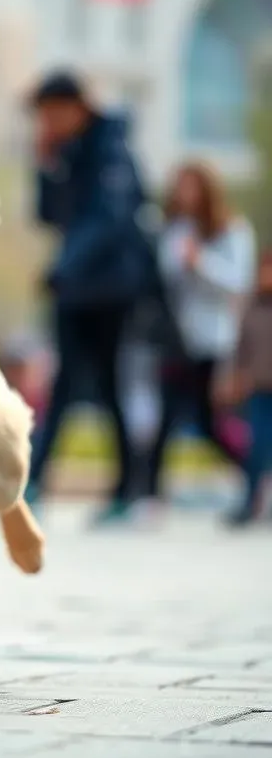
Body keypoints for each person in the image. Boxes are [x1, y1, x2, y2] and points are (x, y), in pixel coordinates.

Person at [26, 71, 154, 522]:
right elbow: (46, 216)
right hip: (74, 287)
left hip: (111, 288)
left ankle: (128, 491)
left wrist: (63, 267)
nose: (48, 123)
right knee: (63, 386)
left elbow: (109, 219)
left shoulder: (111, 147)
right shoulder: (66, 152)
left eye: (53, 113)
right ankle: (35, 483)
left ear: (78, 107)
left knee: (108, 385)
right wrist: (43, 167)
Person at [141, 163, 255, 508]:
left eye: (192, 187)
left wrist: (200, 261)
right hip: (176, 340)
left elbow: (239, 282)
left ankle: (255, 476)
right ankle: (149, 495)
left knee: (210, 422)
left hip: (215, 341)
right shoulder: (173, 230)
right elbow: (165, 279)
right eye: (180, 187)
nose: (184, 194)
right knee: (164, 419)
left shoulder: (232, 230)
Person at [217, 247, 272, 526]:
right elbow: (241, 348)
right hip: (260, 390)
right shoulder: (253, 308)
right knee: (257, 448)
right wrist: (234, 377)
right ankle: (251, 502)